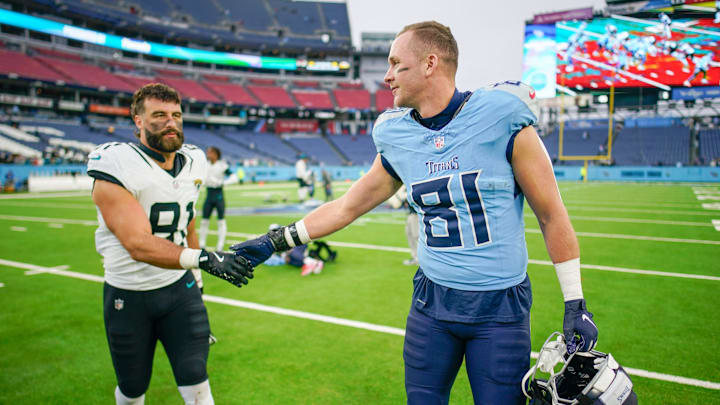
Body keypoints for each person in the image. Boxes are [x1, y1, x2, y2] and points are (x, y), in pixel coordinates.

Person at [231, 21, 598, 404]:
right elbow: (346, 206)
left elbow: (551, 215)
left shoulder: (501, 116)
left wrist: (575, 302)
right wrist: (276, 240)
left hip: (498, 308)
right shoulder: (397, 134)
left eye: (396, 64)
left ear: (429, 63)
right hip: (431, 305)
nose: (386, 77)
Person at [87, 83, 253, 405]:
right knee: (132, 390)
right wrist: (204, 259)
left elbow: (187, 218)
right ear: (137, 120)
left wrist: (199, 281)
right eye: (159, 115)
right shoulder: (116, 163)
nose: (171, 122)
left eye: (176, 114)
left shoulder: (193, 160)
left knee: (198, 385)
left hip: (180, 291)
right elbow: (137, 243)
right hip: (129, 294)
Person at [198, 146, 231, 252]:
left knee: (221, 221)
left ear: (216, 154)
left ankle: (220, 246)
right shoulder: (205, 165)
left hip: (218, 195)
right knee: (204, 221)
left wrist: (223, 183)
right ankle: (202, 244)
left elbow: (233, 176)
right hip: (209, 194)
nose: (208, 154)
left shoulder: (222, 165)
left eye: (210, 152)